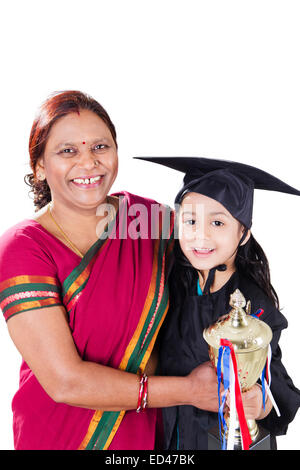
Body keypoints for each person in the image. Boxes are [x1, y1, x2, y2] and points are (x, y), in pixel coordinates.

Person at [0, 92, 220, 450]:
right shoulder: (24, 246)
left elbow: (215, 291)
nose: (88, 163)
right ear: (39, 166)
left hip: (149, 434)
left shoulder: (151, 221)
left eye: (100, 146)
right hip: (60, 436)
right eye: (67, 151)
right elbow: (65, 381)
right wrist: (190, 391)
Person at [136, 156, 300, 450]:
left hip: (221, 439)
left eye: (217, 222)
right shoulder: (171, 282)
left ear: (243, 233)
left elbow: (275, 381)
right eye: (190, 221)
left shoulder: (253, 304)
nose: (201, 235)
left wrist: (257, 402)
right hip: (169, 432)